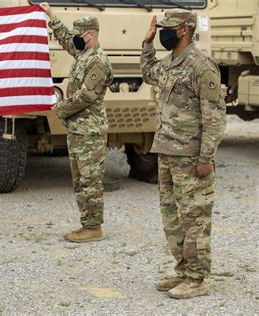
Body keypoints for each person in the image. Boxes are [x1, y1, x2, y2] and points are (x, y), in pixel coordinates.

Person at [140, 9, 226, 299]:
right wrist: (148, 42)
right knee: (172, 218)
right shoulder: (169, 63)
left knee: (195, 218)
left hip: (191, 157)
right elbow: (148, 73)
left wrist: (206, 158)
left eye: (167, 28)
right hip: (166, 151)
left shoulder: (202, 66)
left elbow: (214, 116)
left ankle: (199, 278)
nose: (164, 31)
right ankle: (183, 271)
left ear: (185, 30)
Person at [39, 3, 113, 243]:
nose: (76, 40)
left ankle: (93, 227)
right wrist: (51, 15)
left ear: (90, 35)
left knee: (90, 180)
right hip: (78, 130)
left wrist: (60, 109)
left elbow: (86, 96)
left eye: (80, 35)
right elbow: (65, 39)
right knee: (80, 179)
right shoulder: (83, 54)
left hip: (90, 131)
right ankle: (86, 223)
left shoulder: (98, 61)